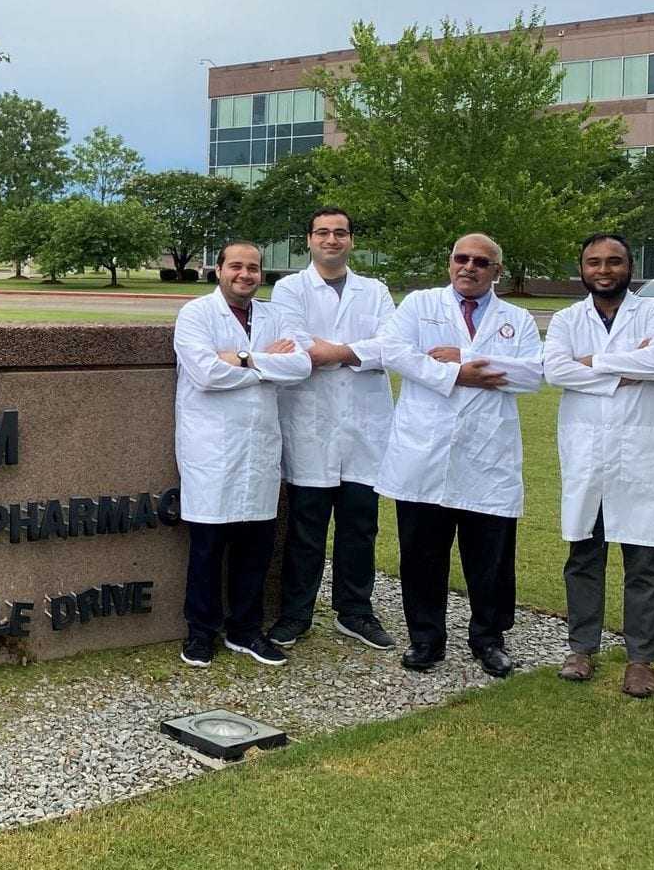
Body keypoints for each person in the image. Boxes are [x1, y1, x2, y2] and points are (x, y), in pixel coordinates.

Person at [377, 233, 544, 678]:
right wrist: (458, 375)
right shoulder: (419, 305)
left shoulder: (518, 319)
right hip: (424, 452)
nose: (468, 267)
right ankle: (425, 640)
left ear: (497, 271)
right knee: (421, 554)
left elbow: (532, 374)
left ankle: (489, 639)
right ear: (449, 262)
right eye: (460, 258)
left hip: (487, 458)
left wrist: (467, 355)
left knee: (489, 559)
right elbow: (395, 352)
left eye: (481, 262)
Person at [542, 234, 654, 697]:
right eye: (594, 262)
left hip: (641, 454)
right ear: (581, 268)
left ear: (629, 266)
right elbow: (555, 370)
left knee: (643, 561)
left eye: (614, 261)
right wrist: (623, 371)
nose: (604, 270)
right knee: (584, 556)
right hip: (587, 454)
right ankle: (582, 647)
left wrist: (593, 363)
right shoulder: (565, 318)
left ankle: (642, 659)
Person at [173, 240, 313, 668]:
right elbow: (205, 373)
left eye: (253, 267)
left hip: (260, 446)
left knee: (256, 546)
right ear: (218, 270)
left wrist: (246, 358)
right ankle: (200, 633)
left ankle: (246, 631)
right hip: (211, 448)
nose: (245, 274)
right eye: (236, 266)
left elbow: (302, 366)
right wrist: (266, 365)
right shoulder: (195, 314)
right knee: (207, 548)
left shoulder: (275, 315)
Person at [267, 208, 398, 651]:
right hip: (311, 421)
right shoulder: (289, 288)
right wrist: (357, 354)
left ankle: (355, 611)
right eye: (322, 232)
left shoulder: (375, 290)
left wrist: (334, 351)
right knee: (307, 527)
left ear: (351, 241)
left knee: (360, 525)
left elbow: (392, 346)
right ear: (309, 240)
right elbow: (295, 345)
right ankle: (296, 613)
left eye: (340, 233)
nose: (331, 240)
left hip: (364, 426)